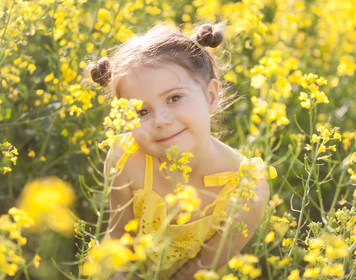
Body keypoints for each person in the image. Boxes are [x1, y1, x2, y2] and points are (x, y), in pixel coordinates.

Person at [88, 23, 275, 279]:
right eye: (141, 112)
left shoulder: (249, 187)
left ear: (210, 95)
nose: (160, 120)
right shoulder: (125, 158)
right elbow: (120, 241)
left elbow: (199, 271)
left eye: (174, 98)